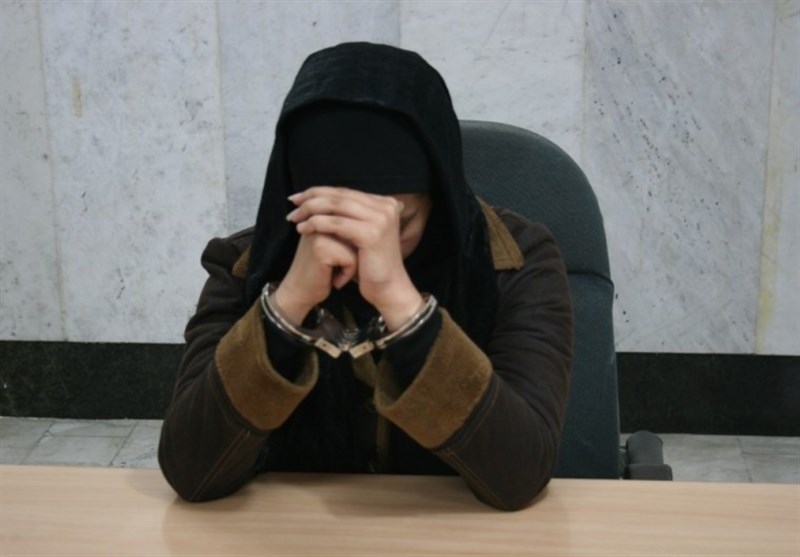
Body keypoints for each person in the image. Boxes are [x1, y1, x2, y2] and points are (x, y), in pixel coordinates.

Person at [158, 42, 573, 511]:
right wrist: (286, 306)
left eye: (398, 224)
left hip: (454, 529)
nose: (364, 247)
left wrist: (402, 304)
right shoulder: (242, 265)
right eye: (333, 220)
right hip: (295, 531)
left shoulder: (517, 261)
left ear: (441, 194)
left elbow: (520, 474)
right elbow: (192, 473)